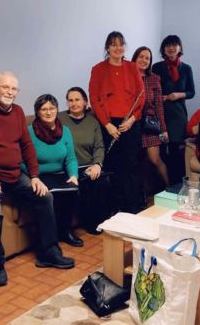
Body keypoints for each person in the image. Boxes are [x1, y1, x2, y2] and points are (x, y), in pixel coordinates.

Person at [0, 71, 75, 285]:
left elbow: (26, 145)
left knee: (45, 197)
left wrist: (34, 176)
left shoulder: (17, 112)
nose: (9, 92)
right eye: (5, 87)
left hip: (15, 175)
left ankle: (49, 253)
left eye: (14, 88)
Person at [89, 31, 145, 214]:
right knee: (112, 166)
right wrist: (107, 125)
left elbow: (141, 96)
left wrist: (132, 120)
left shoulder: (132, 67)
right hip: (108, 125)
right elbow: (94, 98)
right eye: (113, 44)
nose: (118, 48)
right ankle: (114, 210)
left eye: (121, 44)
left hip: (130, 123)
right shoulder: (98, 69)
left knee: (130, 166)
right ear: (107, 47)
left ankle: (132, 210)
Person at [28, 94, 82, 247]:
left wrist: (73, 175)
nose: (48, 112)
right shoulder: (29, 132)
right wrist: (34, 176)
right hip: (38, 176)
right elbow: (23, 160)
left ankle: (66, 231)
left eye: (52, 108)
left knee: (73, 190)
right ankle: (50, 238)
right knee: (47, 197)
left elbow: (71, 159)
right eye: (44, 109)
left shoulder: (65, 131)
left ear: (57, 110)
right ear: (37, 112)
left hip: (59, 174)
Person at [58, 87, 108, 234]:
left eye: (77, 100)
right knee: (80, 185)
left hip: (88, 165)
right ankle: (87, 223)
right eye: (70, 100)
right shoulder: (59, 119)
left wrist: (97, 164)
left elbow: (99, 146)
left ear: (85, 102)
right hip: (68, 167)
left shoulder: (93, 122)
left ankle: (99, 223)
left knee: (100, 182)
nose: (74, 103)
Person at [151, 35, 195, 184]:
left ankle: (177, 185)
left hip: (178, 114)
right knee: (161, 151)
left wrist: (177, 95)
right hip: (160, 112)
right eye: (168, 45)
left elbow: (191, 92)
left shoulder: (186, 68)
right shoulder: (157, 67)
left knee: (176, 151)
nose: (171, 48)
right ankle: (162, 185)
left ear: (179, 48)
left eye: (174, 45)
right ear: (163, 49)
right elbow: (151, 88)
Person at [132, 46, 169, 186]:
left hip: (150, 125)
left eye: (147, 58)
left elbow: (159, 105)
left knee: (155, 160)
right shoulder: (128, 77)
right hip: (132, 125)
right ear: (135, 58)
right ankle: (143, 194)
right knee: (137, 163)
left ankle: (168, 189)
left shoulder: (154, 78)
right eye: (141, 57)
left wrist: (163, 129)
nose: (144, 60)